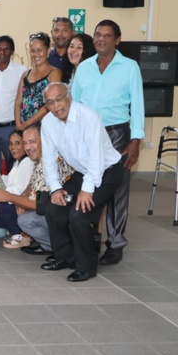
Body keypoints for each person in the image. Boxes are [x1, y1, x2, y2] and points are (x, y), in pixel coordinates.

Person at [72, 20, 144, 265]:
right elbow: (75, 106)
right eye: (98, 35)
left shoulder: (130, 67)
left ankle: (115, 243)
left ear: (117, 40)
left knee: (118, 190)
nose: (101, 39)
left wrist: (136, 140)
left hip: (118, 134)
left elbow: (138, 106)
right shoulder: (84, 68)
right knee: (89, 185)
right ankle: (91, 236)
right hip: (88, 135)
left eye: (107, 35)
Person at [40, 82, 123, 282]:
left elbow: (96, 158)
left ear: (69, 96)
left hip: (107, 171)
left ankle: (86, 267)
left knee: (79, 215)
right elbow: (48, 159)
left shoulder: (89, 117)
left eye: (59, 98)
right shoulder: (48, 123)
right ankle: (65, 257)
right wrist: (56, 189)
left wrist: (87, 191)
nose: (56, 105)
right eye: (50, 102)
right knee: (53, 208)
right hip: (83, 172)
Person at [14, 124, 75, 255]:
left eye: (32, 142)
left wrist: (10, 197)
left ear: (44, 140)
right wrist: (24, 194)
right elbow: (34, 183)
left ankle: (60, 247)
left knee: (24, 220)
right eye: (25, 143)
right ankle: (51, 245)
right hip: (59, 211)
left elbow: (38, 204)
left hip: (65, 213)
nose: (28, 147)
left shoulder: (49, 161)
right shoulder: (43, 156)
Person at [0, 35, 27, 170]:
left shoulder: (22, 72)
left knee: (13, 165)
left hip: (11, 127)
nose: (2, 53)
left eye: (6, 49)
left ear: (12, 52)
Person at [14, 32, 61, 132]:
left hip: (44, 129)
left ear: (48, 51)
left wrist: (27, 124)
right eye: (33, 51)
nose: (36, 54)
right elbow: (18, 102)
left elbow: (50, 104)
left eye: (39, 50)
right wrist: (19, 126)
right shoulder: (25, 74)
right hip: (24, 131)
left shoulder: (54, 73)